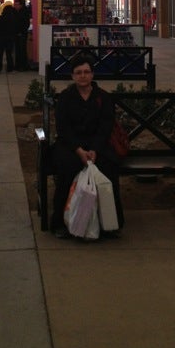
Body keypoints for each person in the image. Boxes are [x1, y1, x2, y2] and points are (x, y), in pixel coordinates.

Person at [50, 52, 123, 239]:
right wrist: (78, 150)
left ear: (92, 74)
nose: (83, 76)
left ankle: (109, 222)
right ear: (73, 76)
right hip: (71, 145)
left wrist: (94, 150)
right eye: (78, 72)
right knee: (67, 167)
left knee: (108, 167)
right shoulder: (66, 98)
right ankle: (61, 221)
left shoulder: (103, 98)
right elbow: (63, 128)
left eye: (86, 72)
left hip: (96, 145)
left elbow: (106, 126)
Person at [0, 0, 18, 72]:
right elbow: (16, 28)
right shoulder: (14, 19)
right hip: (10, 38)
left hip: (0, 38)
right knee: (9, 54)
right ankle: (10, 68)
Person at [12, 0, 31, 71]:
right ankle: (17, 65)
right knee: (17, 50)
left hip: (22, 33)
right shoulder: (13, 11)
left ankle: (23, 66)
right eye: (15, 4)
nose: (16, 6)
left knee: (22, 50)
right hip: (15, 33)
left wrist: (21, 32)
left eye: (17, 4)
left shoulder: (24, 11)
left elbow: (26, 23)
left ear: (21, 5)